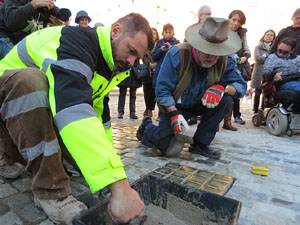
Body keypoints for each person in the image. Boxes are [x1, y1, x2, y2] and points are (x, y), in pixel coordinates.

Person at [0, 13, 154, 224]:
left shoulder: (108, 65)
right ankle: (50, 190)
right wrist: (118, 185)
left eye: (137, 58)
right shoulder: (74, 41)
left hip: (26, 122)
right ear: (116, 30)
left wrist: (111, 163)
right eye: (131, 51)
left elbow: (99, 117)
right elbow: (72, 108)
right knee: (31, 81)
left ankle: (25, 159)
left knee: (88, 167)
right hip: (6, 117)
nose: (131, 62)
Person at [136, 17, 246, 160]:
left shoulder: (225, 59)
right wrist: (174, 113)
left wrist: (223, 88)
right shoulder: (176, 54)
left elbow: (241, 85)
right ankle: (147, 127)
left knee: (226, 99)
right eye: (208, 51)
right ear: (197, 45)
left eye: (217, 53)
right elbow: (162, 90)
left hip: (201, 104)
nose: (212, 58)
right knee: (170, 149)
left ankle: (200, 143)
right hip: (175, 106)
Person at [0, 0, 68, 60]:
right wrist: (33, 5)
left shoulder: (46, 10)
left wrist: (56, 27)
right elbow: (11, 22)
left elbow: (42, 41)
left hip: (25, 46)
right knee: (20, 65)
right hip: (7, 37)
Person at [222, 10, 251, 131]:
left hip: (236, 65)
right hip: (221, 63)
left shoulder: (242, 34)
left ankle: (228, 120)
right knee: (218, 88)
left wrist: (245, 57)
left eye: (239, 21)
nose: (235, 23)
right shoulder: (222, 30)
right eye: (233, 19)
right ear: (229, 19)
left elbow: (247, 50)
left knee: (233, 92)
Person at [188, 5, 212, 125]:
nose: (209, 16)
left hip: (208, 66)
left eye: (210, 14)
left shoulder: (213, 30)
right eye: (208, 14)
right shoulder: (192, 30)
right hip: (193, 65)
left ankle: (206, 119)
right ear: (200, 16)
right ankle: (191, 115)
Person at [152, 23, 180, 121]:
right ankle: (161, 114)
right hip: (160, 71)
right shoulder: (159, 43)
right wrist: (161, 50)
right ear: (163, 33)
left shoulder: (177, 43)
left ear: (173, 32)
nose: (168, 34)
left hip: (172, 71)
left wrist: (171, 48)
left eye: (170, 32)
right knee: (161, 91)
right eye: (166, 32)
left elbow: (179, 56)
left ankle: (171, 112)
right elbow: (154, 57)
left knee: (171, 91)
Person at [250, 29, 276, 113]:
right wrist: (267, 57)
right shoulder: (258, 47)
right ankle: (255, 110)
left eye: (271, 35)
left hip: (269, 73)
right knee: (257, 93)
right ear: (264, 36)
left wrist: (264, 56)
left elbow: (275, 60)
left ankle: (264, 110)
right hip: (258, 72)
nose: (269, 36)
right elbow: (257, 58)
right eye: (268, 34)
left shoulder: (275, 49)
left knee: (267, 94)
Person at [143, 27, 159, 118]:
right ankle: (147, 108)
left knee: (153, 91)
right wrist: (149, 65)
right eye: (151, 33)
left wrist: (155, 65)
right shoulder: (146, 45)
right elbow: (143, 56)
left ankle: (150, 109)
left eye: (154, 33)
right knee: (146, 90)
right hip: (147, 70)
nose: (153, 35)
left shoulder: (159, 44)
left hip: (156, 71)